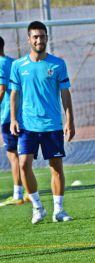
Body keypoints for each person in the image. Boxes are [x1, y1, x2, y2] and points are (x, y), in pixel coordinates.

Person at [10, 21, 76, 223]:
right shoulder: (18, 66)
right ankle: (38, 208)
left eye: (42, 36)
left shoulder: (58, 64)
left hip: (52, 125)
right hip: (27, 125)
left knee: (56, 167)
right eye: (35, 37)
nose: (39, 40)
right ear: (29, 39)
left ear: (47, 38)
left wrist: (70, 121)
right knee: (23, 164)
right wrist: (13, 119)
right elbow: (14, 94)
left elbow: (65, 94)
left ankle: (59, 211)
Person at [0, 36, 24, 207]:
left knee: (13, 155)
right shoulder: (13, 62)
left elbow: (1, 89)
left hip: (8, 116)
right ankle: (28, 192)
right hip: (19, 115)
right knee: (21, 155)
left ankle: (18, 194)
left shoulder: (0, 64)